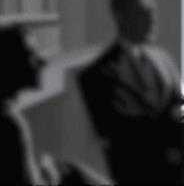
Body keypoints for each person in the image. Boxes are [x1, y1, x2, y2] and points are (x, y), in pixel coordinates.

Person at [79, 0, 181, 184]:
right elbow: (121, 133)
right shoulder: (97, 75)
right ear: (121, 17)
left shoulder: (163, 59)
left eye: (153, 12)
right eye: (143, 13)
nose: (152, 19)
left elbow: (183, 107)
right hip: (136, 176)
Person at [1, 25, 108, 185]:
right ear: (11, 64)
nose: (42, 62)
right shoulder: (11, 123)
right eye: (31, 55)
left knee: (69, 167)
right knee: (73, 172)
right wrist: (49, 176)